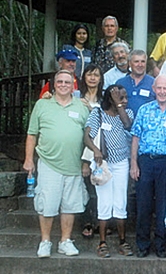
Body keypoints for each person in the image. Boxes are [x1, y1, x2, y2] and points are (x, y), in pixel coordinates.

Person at [23, 70, 89, 258]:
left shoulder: (82, 106)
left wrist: (86, 162)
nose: (63, 84)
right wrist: (28, 159)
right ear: (54, 84)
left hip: (74, 164)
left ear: (73, 85)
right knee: (47, 204)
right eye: (59, 81)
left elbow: (89, 137)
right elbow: (32, 133)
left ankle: (65, 241)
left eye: (67, 82)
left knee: (70, 205)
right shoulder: (42, 104)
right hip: (48, 162)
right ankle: (45, 241)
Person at [130, 75, 166, 258]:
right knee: (143, 204)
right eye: (159, 88)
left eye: (165, 88)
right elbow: (135, 138)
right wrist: (134, 164)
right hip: (146, 161)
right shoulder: (144, 110)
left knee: (164, 206)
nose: (162, 92)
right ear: (154, 89)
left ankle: (161, 245)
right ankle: (143, 245)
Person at [84, 84, 134, 258]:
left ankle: (122, 241)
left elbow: (128, 125)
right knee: (104, 202)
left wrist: (119, 105)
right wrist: (96, 150)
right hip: (103, 164)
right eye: (121, 97)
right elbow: (87, 136)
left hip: (121, 163)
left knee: (120, 202)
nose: (125, 100)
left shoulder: (126, 114)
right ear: (110, 98)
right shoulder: (98, 113)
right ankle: (102, 243)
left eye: (125, 97)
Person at [78, 64, 105, 238]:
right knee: (84, 186)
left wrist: (92, 110)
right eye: (89, 74)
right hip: (79, 144)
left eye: (96, 75)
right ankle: (86, 220)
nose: (93, 78)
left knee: (100, 186)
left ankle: (101, 221)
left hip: (99, 148)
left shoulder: (104, 99)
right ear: (84, 77)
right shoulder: (77, 97)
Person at [116, 49, 156, 115]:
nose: (140, 65)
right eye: (136, 61)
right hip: (124, 122)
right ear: (129, 63)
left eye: (143, 61)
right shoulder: (120, 83)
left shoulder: (154, 83)